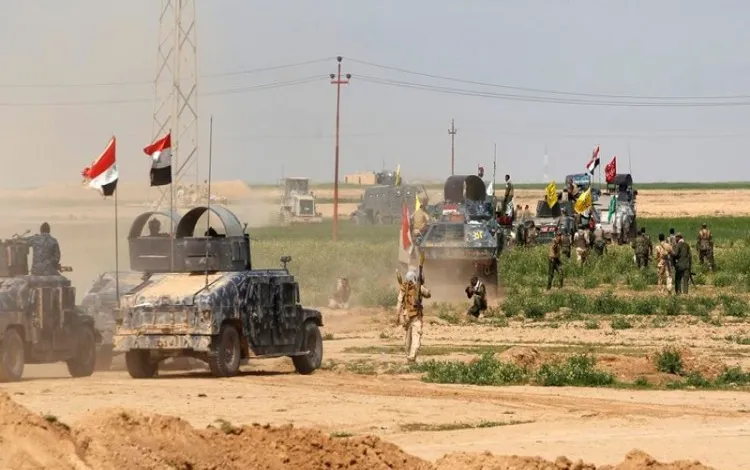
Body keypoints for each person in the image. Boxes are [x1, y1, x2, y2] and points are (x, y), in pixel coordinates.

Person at [396, 270, 431, 362]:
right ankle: (412, 356)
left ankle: (408, 355)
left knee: (408, 337)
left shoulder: (403, 288)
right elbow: (428, 294)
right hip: (416, 316)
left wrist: (398, 316)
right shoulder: (418, 287)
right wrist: (422, 286)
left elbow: (399, 303)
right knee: (416, 336)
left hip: (406, 316)